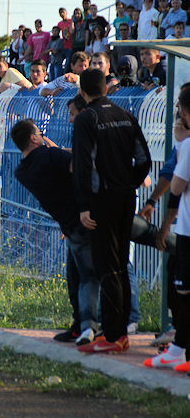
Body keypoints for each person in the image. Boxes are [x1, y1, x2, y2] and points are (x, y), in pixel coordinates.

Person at [73, 68, 151, 354]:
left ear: (83, 92)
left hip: (101, 201)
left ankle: (114, 335)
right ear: (106, 88)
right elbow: (144, 159)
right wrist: (129, 181)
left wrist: (83, 206)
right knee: (120, 262)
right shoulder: (126, 115)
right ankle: (121, 331)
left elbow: (83, 167)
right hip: (126, 197)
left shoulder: (86, 119)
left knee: (107, 266)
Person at [11, 117, 99, 345]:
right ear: (33, 138)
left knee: (75, 276)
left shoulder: (22, 171)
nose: (42, 136)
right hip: (85, 217)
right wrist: (59, 150)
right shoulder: (50, 156)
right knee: (89, 276)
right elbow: (79, 166)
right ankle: (92, 325)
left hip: (68, 224)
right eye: (39, 133)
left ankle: (80, 324)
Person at [144, 86, 190, 371]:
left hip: (187, 230)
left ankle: (178, 349)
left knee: (184, 291)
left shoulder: (187, 146)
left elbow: (176, 185)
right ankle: (178, 347)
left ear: (184, 113)